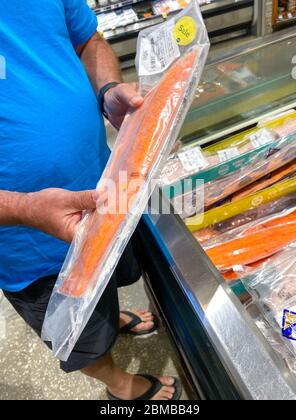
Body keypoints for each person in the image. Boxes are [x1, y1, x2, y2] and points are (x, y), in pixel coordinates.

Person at [0, 0, 182, 400]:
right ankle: (120, 385)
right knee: (78, 332)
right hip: (26, 242)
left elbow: (87, 40)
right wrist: (25, 209)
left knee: (106, 284)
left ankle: (113, 316)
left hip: (104, 186)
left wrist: (107, 90)